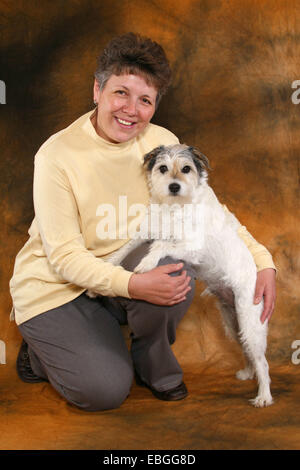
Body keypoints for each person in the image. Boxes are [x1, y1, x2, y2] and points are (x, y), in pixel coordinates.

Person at [10, 33, 276, 411]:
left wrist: (262, 260)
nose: (131, 110)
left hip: (116, 274)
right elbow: (65, 258)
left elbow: (210, 210)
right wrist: (133, 284)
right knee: (103, 390)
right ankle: (41, 351)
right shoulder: (57, 155)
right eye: (121, 93)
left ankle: (152, 367)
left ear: (154, 106)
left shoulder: (163, 143)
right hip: (57, 286)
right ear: (97, 89)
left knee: (174, 265)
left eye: (145, 100)